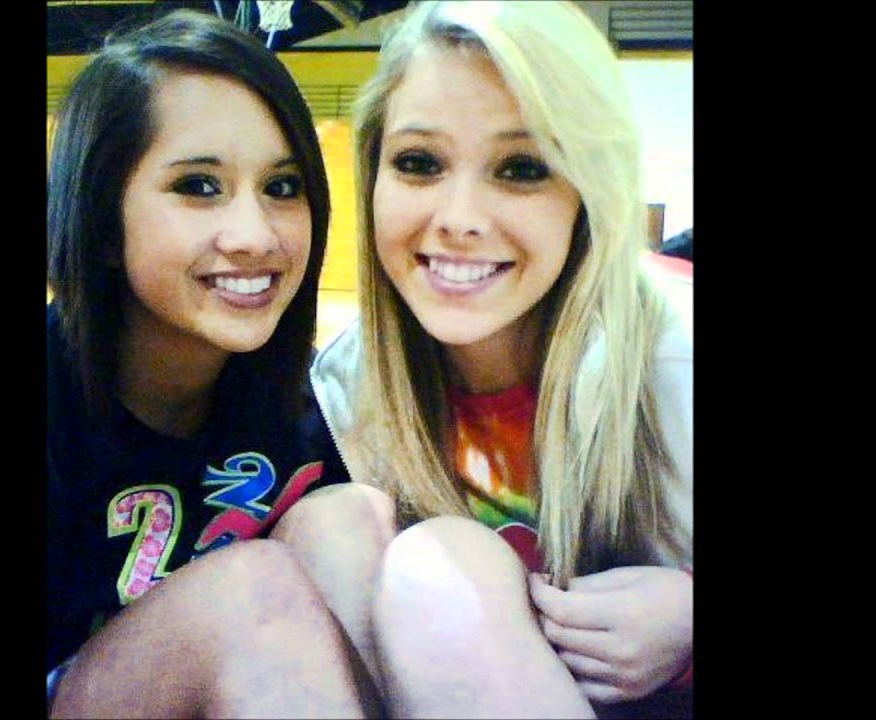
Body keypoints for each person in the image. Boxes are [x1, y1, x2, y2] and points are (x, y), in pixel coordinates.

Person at [287, 2, 694, 717]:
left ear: (588, 191)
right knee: (332, 526)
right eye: (419, 163)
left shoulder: (677, 351)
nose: (459, 219)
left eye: (521, 168)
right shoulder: (350, 385)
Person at [45, 10, 366, 718]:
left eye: (282, 187)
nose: (255, 235)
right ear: (101, 222)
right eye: (198, 186)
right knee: (249, 588)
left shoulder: (311, 403)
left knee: (354, 516)